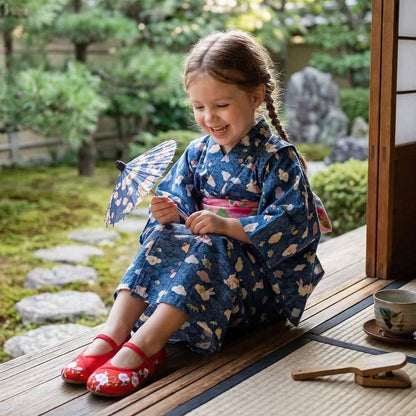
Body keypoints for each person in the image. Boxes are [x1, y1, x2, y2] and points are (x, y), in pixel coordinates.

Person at [61, 29, 326, 397]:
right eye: (199, 107)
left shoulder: (278, 158)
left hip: (257, 291)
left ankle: (147, 347)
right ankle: (113, 333)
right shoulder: (198, 152)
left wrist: (226, 226)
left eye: (220, 105)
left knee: (213, 244)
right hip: (206, 278)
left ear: (256, 96)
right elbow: (178, 202)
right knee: (164, 235)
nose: (209, 118)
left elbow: (294, 223)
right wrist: (170, 212)